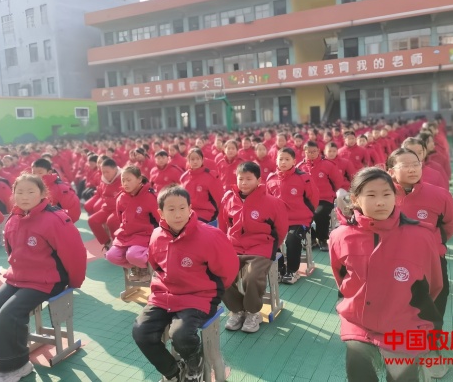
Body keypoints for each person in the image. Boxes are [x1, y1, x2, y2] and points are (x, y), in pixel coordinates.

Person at [329, 168, 443, 382]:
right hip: (358, 321)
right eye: (371, 195)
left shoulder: (421, 236)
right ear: (355, 199)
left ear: (395, 196)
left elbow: (433, 285)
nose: (380, 202)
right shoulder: (340, 236)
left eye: (386, 194)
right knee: (358, 371)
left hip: (405, 323)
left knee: (403, 377)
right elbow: (342, 279)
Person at [0, 174, 87, 382]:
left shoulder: (55, 219)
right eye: (19, 192)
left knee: (9, 313)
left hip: (47, 280)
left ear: (42, 194)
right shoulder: (14, 218)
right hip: (19, 277)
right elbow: (11, 250)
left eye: (31, 192)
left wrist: (74, 283)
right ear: (13, 194)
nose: (25, 196)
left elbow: (75, 254)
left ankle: (17, 366)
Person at [132, 185, 239, 382]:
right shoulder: (156, 235)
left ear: (190, 208)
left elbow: (229, 268)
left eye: (182, 208)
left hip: (199, 297)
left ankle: (194, 363)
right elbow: (156, 264)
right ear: (160, 213)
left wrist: (212, 291)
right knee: (141, 331)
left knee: (180, 334)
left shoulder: (210, 235)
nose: (178, 214)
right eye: (171, 209)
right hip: (164, 295)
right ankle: (173, 371)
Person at [386, 149, 453, 320]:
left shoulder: (439, 195)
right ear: (391, 171)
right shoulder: (383, 196)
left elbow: (450, 224)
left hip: (431, 259)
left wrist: (433, 244)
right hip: (391, 259)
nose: (412, 169)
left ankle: (433, 334)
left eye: (416, 164)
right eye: (405, 165)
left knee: (435, 304)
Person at [219, 162, 288, 333]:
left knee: (252, 276)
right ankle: (237, 310)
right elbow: (223, 225)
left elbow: (281, 229)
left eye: (249, 179)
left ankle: (252, 312)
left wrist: (273, 248)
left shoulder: (272, 203)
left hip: (261, 248)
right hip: (234, 247)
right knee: (220, 274)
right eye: (240, 178)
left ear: (258, 180)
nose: (244, 182)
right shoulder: (228, 200)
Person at [266, 147, 319, 284]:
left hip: (299, 219)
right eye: (280, 159)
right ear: (276, 161)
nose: (283, 162)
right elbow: (267, 202)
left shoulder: (304, 178)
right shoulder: (271, 179)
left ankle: (292, 271)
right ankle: (279, 268)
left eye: (287, 159)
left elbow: (313, 199)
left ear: (294, 161)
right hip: (278, 220)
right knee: (268, 238)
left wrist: (308, 215)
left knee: (292, 238)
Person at [105, 166, 159, 281]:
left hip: (145, 235)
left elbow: (160, 220)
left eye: (129, 180)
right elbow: (120, 218)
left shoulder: (150, 197)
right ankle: (136, 266)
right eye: (123, 180)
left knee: (133, 255)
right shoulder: (121, 198)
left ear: (139, 179)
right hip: (126, 235)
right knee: (111, 256)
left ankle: (147, 268)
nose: (125, 183)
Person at [298, 141, 342, 251]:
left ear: (318, 151)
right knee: (298, 214)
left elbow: (337, 181)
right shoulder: (300, 167)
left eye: (314, 151)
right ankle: (312, 237)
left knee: (319, 214)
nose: (312, 154)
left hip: (325, 198)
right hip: (307, 200)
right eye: (309, 152)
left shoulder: (328, 165)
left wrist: (332, 194)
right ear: (304, 152)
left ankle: (322, 238)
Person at [180, 148, 224, 225]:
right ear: (188, 161)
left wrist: (221, 218)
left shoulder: (211, 177)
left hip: (206, 214)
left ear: (202, 160)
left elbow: (219, 199)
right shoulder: (184, 178)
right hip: (187, 213)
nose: (195, 161)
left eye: (198, 159)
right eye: (192, 159)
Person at [85, 158, 122, 248]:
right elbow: (102, 194)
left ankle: (118, 245)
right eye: (103, 172)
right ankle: (107, 242)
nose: (105, 174)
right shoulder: (103, 180)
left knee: (111, 221)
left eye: (107, 172)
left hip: (120, 209)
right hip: (107, 208)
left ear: (115, 169)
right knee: (92, 220)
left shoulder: (123, 179)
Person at [31, 158, 81, 222]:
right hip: (59, 213)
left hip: (66, 216)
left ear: (49, 172)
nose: (36, 176)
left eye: (40, 173)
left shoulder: (54, 188)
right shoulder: (45, 183)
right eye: (33, 173)